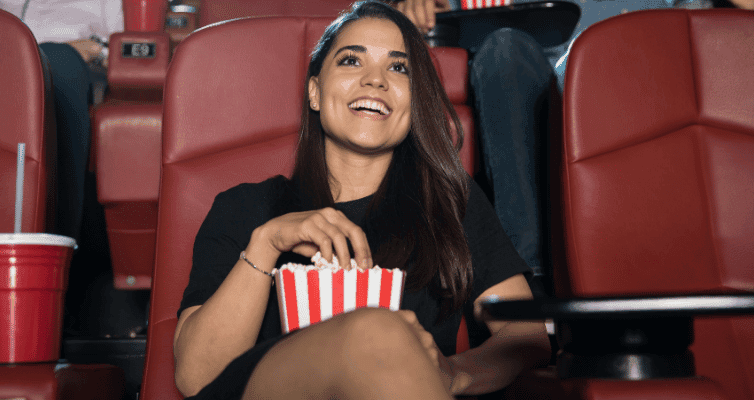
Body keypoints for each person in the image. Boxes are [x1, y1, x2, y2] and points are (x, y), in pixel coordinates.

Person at [173, 2, 551, 399]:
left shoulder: (450, 205)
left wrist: (455, 372)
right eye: (351, 61)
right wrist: (266, 245)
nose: (376, 80)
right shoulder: (247, 209)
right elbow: (197, 377)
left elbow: (526, 335)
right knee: (377, 329)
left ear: (415, 102)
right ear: (315, 93)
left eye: (398, 67)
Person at [393, 0, 558, 295]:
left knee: (506, 50)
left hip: (558, 54)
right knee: (503, 52)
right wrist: (405, 7)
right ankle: (529, 280)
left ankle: (531, 277)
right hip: (469, 55)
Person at [0, 0, 123, 241]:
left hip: (68, 65)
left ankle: (53, 248)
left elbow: (125, 46)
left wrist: (95, 49)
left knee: (60, 63)